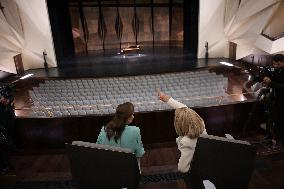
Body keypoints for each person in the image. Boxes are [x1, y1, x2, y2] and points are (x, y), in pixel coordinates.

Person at [158, 91, 207, 173]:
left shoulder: (186, 142)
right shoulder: (201, 123)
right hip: (207, 159)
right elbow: (185, 109)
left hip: (199, 171)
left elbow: (183, 169)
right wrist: (167, 99)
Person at [262, 54, 284, 148]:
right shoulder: (278, 69)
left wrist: (270, 83)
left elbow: (282, 87)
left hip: (282, 102)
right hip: (274, 100)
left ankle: (280, 142)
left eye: (277, 64)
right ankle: (273, 137)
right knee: (273, 120)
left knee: (281, 123)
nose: (275, 66)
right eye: (274, 64)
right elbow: (272, 77)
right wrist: (267, 77)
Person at [0, 85, 15, 174]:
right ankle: (5, 165)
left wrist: (8, 100)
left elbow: (12, 95)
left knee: (8, 138)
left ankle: (7, 164)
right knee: (2, 143)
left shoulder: (4, 85)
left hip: (8, 116)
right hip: (1, 119)